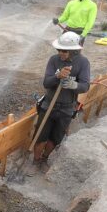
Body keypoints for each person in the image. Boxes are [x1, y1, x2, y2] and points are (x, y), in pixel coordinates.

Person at [34, 31, 91, 165]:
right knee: (41, 136)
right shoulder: (54, 60)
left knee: (55, 138)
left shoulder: (83, 63)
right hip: (49, 105)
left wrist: (74, 85)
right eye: (59, 50)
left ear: (74, 51)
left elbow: (85, 86)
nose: (61, 53)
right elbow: (46, 83)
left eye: (64, 51)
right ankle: (35, 161)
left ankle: (45, 158)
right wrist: (57, 77)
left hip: (66, 108)